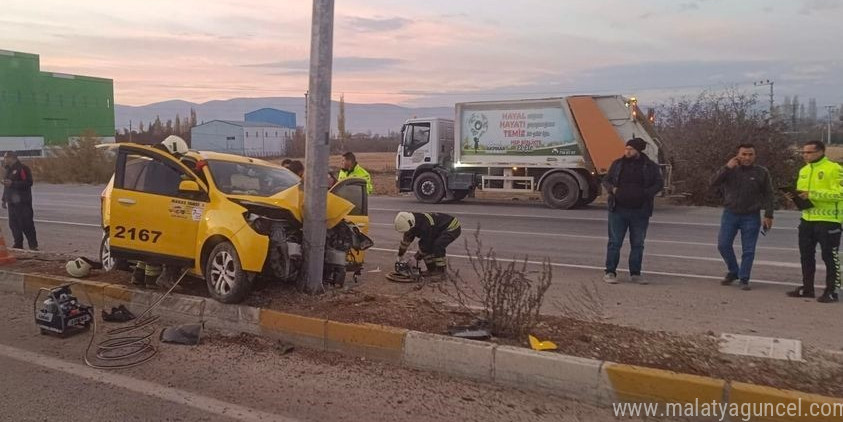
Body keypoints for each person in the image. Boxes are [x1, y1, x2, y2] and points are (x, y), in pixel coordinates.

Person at [710, 144, 774, 291]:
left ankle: (744, 278)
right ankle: (733, 271)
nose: (747, 157)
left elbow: (769, 194)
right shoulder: (729, 170)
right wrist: (727, 167)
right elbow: (713, 183)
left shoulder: (761, 172)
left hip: (751, 215)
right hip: (730, 213)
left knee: (749, 250)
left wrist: (769, 214)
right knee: (723, 245)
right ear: (738, 155)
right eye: (744, 154)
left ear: (755, 156)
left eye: (750, 154)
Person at [601, 137, 663, 284]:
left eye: (631, 149)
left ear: (638, 151)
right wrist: (612, 189)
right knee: (615, 242)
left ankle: (635, 273)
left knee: (638, 243)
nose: (627, 151)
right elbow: (606, 180)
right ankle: (610, 272)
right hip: (618, 209)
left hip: (640, 211)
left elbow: (659, 183)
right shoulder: (618, 164)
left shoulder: (650, 166)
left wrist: (646, 194)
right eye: (626, 148)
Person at [786, 140, 842, 303]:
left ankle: (832, 291)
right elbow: (802, 194)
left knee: (830, 256)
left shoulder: (834, 169)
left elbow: (840, 193)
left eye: (809, 152)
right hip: (807, 219)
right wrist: (793, 198)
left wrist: (813, 194)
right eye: (803, 152)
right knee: (806, 256)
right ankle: (807, 288)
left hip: (829, 219)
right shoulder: (803, 170)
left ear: (821, 152)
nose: (805, 155)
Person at [394, 211, 461, 278]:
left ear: (411, 224)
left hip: (452, 227)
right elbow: (406, 241)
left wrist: (415, 258)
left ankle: (441, 272)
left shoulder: (425, 225)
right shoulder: (411, 223)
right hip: (438, 228)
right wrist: (400, 255)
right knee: (426, 248)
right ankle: (432, 270)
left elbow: (426, 245)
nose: (407, 232)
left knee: (437, 245)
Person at [2, 151, 38, 250]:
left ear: (12, 158)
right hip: (11, 202)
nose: (4, 159)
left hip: (22, 202)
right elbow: (6, 186)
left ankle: (33, 245)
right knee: (13, 224)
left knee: (26, 223)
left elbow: (28, 182)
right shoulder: (8, 170)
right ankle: (18, 244)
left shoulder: (22, 168)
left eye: (5, 157)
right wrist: (4, 199)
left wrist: (13, 183)